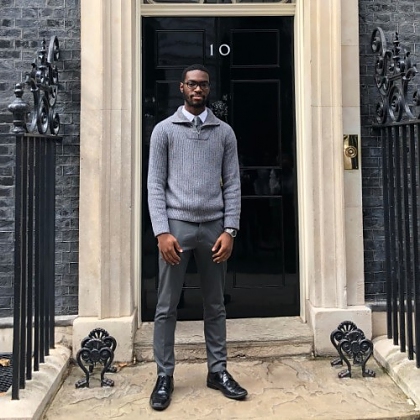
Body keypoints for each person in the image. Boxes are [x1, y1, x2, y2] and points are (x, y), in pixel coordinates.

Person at [147, 64, 247, 411]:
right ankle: (164, 376)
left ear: (209, 89)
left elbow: (233, 183)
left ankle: (217, 371)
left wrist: (230, 230)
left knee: (216, 305)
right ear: (181, 88)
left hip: (214, 229)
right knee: (166, 307)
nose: (198, 89)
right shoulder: (164, 131)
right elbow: (154, 185)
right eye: (192, 84)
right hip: (176, 228)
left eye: (203, 84)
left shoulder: (224, 133)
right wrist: (161, 231)